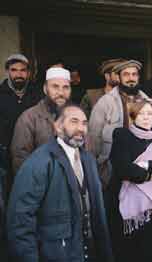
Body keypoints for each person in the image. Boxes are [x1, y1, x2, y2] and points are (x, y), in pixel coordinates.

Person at [7, 104, 113, 262]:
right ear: (57, 127)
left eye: (84, 123)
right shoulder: (39, 162)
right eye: (74, 122)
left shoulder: (89, 160)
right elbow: (20, 220)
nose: (81, 128)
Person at [109, 99, 152, 262]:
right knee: (134, 253)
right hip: (132, 210)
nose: (146, 117)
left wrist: (148, 164)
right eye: (141, 113)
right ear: (133, 116)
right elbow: (123, 168)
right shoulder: (123, 135)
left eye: (149, 113)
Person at [89, 59, 148, 188]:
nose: (131, 78)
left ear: (138, 77)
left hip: (140, 167)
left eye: (134, 74)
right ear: (119, 77)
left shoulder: (147, 101)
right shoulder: (105, 103)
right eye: (126, 74)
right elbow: (93, 139)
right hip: (112, 169)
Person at [10, 67, 71, 172]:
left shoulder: (75, 116)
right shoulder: (28, 118)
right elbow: (20, 161)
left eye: (66, 87)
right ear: (45, 89)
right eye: (55, 87)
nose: (61, 92)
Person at [0, 54, 42, 195]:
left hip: (34, 156)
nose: (19, 74)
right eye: (14, 70)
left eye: (23, 70)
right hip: (5, 160)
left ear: (29, 73)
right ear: (8, 72)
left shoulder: (38, 94)